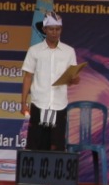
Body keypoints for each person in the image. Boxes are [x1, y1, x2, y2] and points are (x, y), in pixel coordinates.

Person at [20, 13, 79, 151]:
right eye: (51, 29)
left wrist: (74, 80)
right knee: (35, 145)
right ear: (45, 29)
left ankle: (53, 173)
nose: (54, 32)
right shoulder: (34, 51)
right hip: (39, 103)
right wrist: (23, 103)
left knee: (56, 146)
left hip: (59, 104)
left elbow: (71, 78)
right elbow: (28, 76)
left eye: (58, 29)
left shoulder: (69, 51)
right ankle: (35, 173)